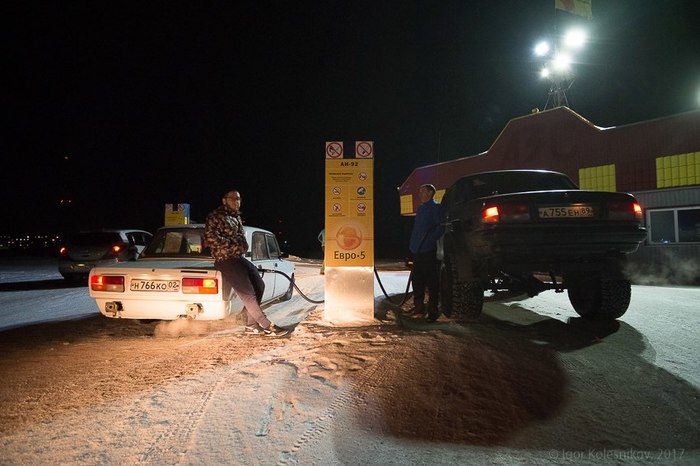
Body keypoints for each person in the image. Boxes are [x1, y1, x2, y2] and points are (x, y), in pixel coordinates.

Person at [204, 189, 290, 337]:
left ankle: (251, 325)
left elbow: (241, 238)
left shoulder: (235, 217)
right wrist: (234, 245)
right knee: (247, 293)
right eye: (233, 199)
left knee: (259, 285)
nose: (236, 202)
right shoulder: (216, 216)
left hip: (238, 258)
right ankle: (267, 325)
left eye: (238, 199)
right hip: (225, 259)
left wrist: (242, 245)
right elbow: (210, 238)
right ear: (224, 200)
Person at [409, 184, 444, 322]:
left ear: (430, 193)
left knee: (431, 281)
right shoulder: (421, 208)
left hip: (428, 250)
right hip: (417, 250)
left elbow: (440, 227)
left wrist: (428, 241)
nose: (420, 194)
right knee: (417, 280)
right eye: (420, 191)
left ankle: (433, 311)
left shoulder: (435, 208)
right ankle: (418, 308)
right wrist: (413, 244)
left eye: (423, 191)